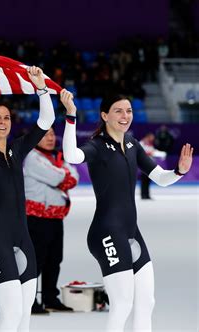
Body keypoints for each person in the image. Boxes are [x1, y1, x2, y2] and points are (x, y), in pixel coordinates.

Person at [61, 90, 193, 331]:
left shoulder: (132, 143)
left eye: (129, 110)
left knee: (146, 302)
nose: (125, 116)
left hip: (131, 231)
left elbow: (160, 178)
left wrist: (179, 171)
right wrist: (71, 116)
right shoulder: (97, 146)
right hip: (106, 233)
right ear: (104, 115)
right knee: (122, 304)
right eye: (118, 111)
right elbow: (71, 155)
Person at [0, 66, 55, 332]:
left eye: (6, 117)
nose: (2, 122)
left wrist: (41, 88)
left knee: (24, 316)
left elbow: (45, 122)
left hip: (22, 236)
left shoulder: (17, 148)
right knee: (11, 315)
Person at [23, 126, 79, 313]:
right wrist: (64, 175)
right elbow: (57, 178)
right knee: (36, 260)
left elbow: (75, 176)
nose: (50, 138)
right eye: (45, 135)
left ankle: (49, 297)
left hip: (55, 217)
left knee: (54, 259)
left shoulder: (58, 157)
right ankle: (28, 300)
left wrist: (64, 175)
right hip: (37, 218)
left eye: (53, 134)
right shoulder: (32, 157)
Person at [139, 133, 166, 199]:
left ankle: (147, 195)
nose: (153, 139)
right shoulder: (141, 143)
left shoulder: (150, 144)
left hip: (149, 164)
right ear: (148, 137)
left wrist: (161, 153)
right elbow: (142, 152)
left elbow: (152, 151)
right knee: (144, 181)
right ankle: (143, 195)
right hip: (143, 164)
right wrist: (154, 153)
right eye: (152, 137)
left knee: (148, 181)